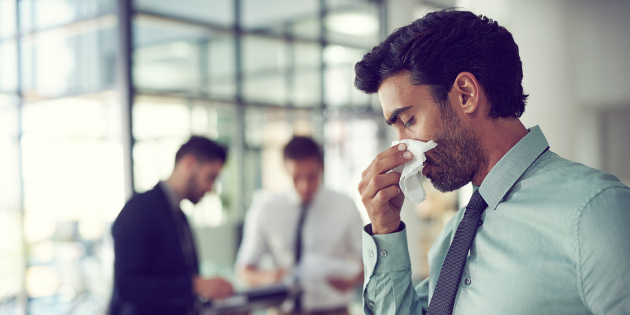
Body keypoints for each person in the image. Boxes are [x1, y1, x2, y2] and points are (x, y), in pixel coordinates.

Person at [354, 9, 630, 315]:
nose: (402, 147)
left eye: (408, 120)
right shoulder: (453, 239)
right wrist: (385, 230)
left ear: (466, 94)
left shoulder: (594, 212)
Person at [235, 136, 364, 315]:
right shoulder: (264, 209)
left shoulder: (345, 206)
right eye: (296, 177)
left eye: (311, 177)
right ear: (286, 169)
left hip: (334, 310)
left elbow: (369, 261)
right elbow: (244, 270)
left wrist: (353, 280)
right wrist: (270, 278)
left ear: (321, 167)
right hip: (282, 311)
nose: (304, 186)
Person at [109, 136, 234, 315]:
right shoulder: (140, 209)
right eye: (210, 177)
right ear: (189, 164)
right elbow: (127, 287)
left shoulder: (177, 214)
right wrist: (195, 285)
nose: (211, 188)